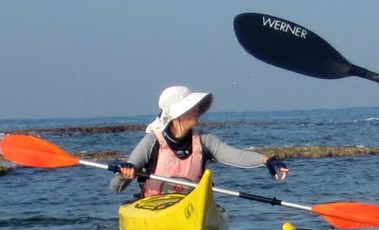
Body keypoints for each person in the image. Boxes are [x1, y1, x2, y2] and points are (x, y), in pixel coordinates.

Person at [111, 85, 288, 198]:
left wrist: (266, 160)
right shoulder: (151, 142)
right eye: (192, 107)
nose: (198, 109)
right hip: (154, 206)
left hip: (191, 205)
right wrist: (123, 175)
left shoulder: (204, 140)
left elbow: (236, 156)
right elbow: (115, 188)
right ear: (177, 114)